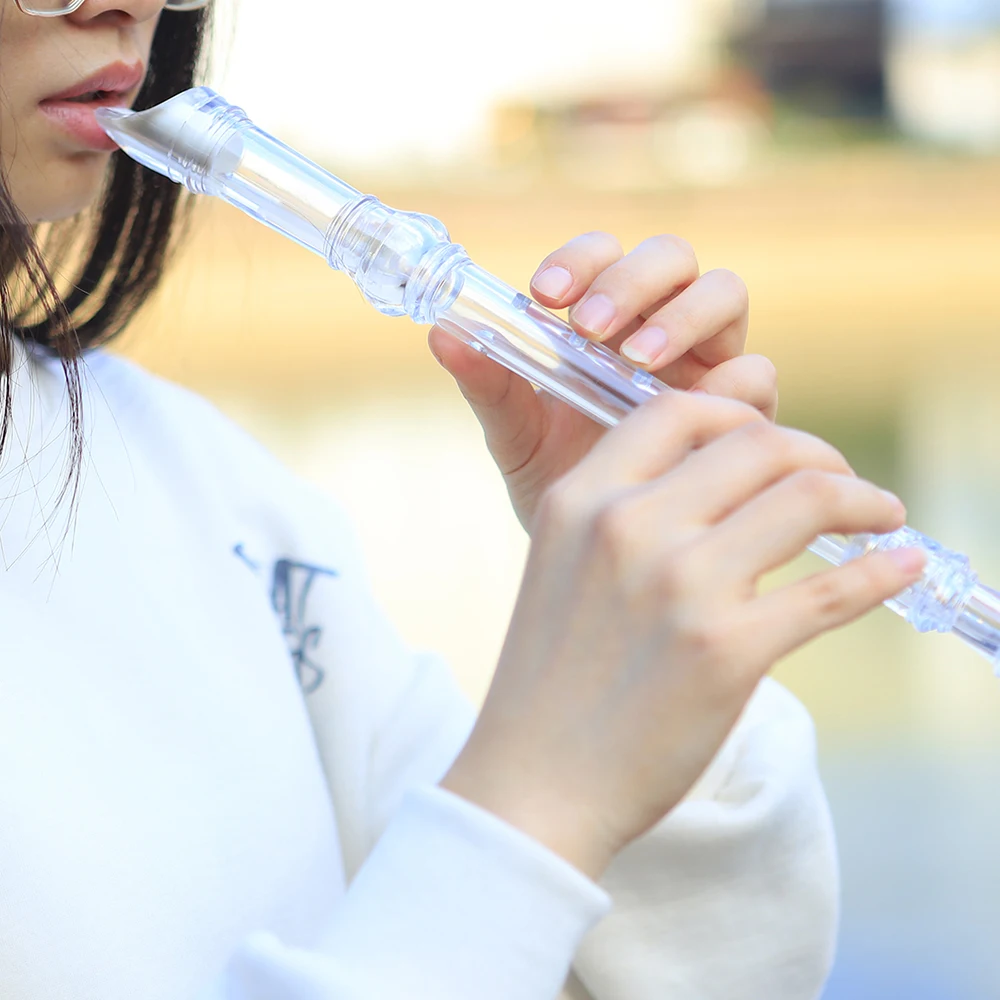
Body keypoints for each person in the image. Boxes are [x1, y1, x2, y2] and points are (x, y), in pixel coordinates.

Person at [0, 2, 928, 999]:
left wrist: (653, 652)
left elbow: (601, 969)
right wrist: (535, 798)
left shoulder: (210, 483)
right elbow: (490, 875)